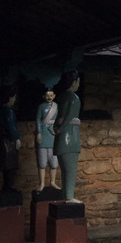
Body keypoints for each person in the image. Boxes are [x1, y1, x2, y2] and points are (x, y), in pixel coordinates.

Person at [53, 71, 82, 202]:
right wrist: (61, 127)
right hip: (70, 136)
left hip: (59, 139)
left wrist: (57, 128)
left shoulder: (60, 97)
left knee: (64, 170)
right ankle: (69, 197)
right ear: (74, 82)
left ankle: (66, 195)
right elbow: (70, 116)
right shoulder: (74, 98)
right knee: (71, 170)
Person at [35, 88, 61, 191]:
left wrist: (56, 130)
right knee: (42, 163)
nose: (49, 97)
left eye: (51, 95)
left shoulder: (57, 107)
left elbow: (59, 120)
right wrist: (39, 132)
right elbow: (38, 119)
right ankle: (42, 183)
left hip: (53, 137)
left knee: (54, 162)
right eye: (47, 95)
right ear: (44, 96)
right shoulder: (41, 107)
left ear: (54, 96)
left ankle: (53, 182)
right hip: (43, 135)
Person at [0, 86, 21, 193]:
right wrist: (17, 139)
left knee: (5, 168)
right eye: (13, 97)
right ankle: (8, 187)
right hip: (7, 142)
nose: (14, 99)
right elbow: (11, 126)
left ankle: (6, 187)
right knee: (10, 167)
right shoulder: (8, 111)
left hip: (2, 140)